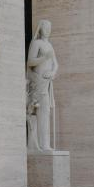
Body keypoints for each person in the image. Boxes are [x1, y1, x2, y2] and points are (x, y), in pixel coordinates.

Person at [26, 20, 58, 152]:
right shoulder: (36, 43)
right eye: (45, 27)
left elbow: (55, 64)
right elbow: (30, 62)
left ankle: (45, 143)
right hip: (38, 81)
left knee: (46, 111)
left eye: (49, 27)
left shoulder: (49, 45)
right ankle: (40, 143)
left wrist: (52, 72)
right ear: (40, 29)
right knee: (40, 111)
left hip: (47, 82)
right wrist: (44, 57)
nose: (48, 30)